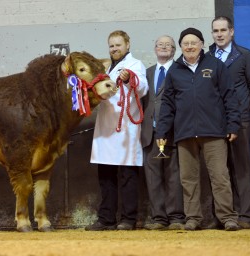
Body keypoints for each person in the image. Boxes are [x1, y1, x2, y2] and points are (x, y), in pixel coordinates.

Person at [155, 27, 241, 231]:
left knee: (220, 176)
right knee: (188, 179)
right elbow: (167, 104)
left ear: (202, 44)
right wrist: (162, 132)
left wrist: (233, 125)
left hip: (214, 131)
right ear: (181, 47)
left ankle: (227, 217)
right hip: (184, 133)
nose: (190, 46)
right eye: (186, 43)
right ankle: (193, 218)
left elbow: (229, 96)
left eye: (194, 42)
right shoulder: (175, 70)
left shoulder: (216, 65)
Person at [86, 30, 148, 231]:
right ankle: (106, 218)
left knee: (127, 175)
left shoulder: (134, 65)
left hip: (125, 130)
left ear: (127, 45)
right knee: (105, 175)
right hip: (105, 128)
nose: (114, 49)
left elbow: (143, 87)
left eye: (118, 45)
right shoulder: (105, 67)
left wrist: (129, 78)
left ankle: (128, 219)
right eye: (111, 45)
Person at [208, 16, 250, 229]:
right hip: (213, 123)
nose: (219, 34)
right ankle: (224, 216)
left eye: (223, 30)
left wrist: (240, 109)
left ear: (232, 32)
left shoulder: (245, 56)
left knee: (240, 168)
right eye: (216, 31)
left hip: (239, 121)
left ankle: (246, 216)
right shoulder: (207, 56)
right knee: (218, 170)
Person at [141, 35, 185, 230]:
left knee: (174, 175)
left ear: (174, 50)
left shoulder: (180, 71)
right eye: (160, 44)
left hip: (173, 132)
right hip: (149, 133)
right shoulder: (147, 73)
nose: (164, 47)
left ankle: (176, 217)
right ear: (155, 48)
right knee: (153, 177)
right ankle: (159, 218)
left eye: (169, 45)